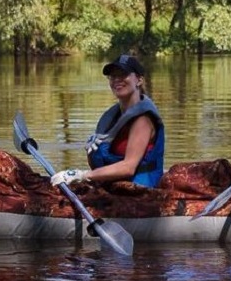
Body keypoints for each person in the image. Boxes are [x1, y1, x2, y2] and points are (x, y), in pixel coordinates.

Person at [51, 54, 166, 188]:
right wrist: (92, 152)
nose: (117, 79)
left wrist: (82, 175)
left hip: (139, 189)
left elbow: (128, 167)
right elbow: (100, 163)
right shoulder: (113, 117)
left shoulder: (143, 119)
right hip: (115, 185)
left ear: (139, 80)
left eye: (123, 75)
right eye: (113, 76)